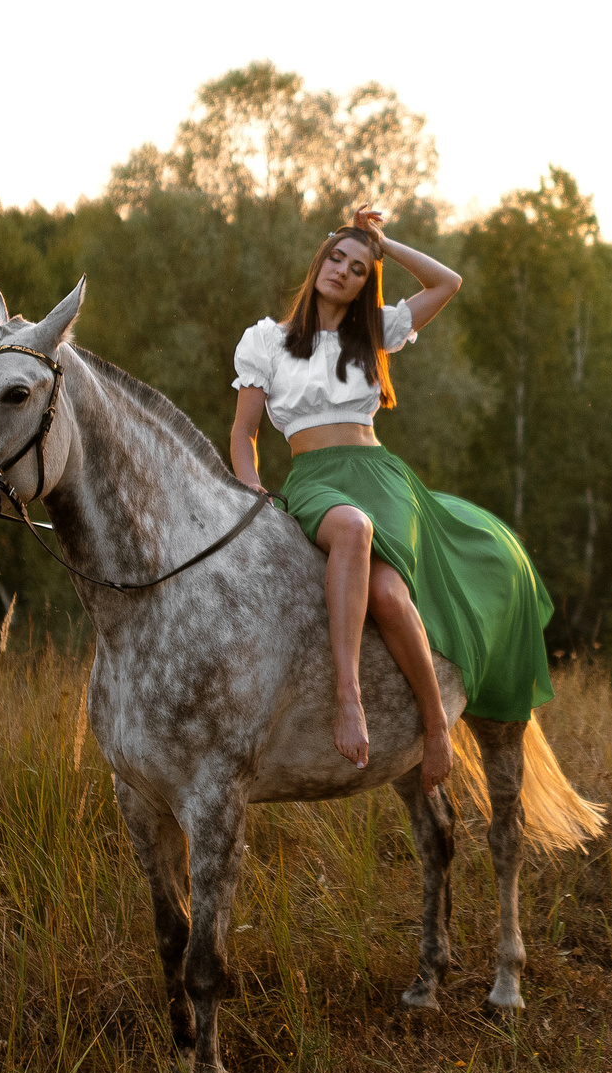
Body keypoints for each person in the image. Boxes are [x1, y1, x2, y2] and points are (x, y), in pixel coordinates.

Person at [228, 208, 555, 791]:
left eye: (358, 268)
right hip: (314, 477)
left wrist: (385, 244)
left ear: (363, 282)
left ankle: (436, 729)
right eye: (336, 258)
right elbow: (244, 432)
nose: (343, 272)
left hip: (380, 473)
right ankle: (349, 700)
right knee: (351, 528)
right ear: (319, 262)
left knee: (385, 589)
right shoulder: (266, 341)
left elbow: (447, 283)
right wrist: (250, 485)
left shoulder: (373, 331)